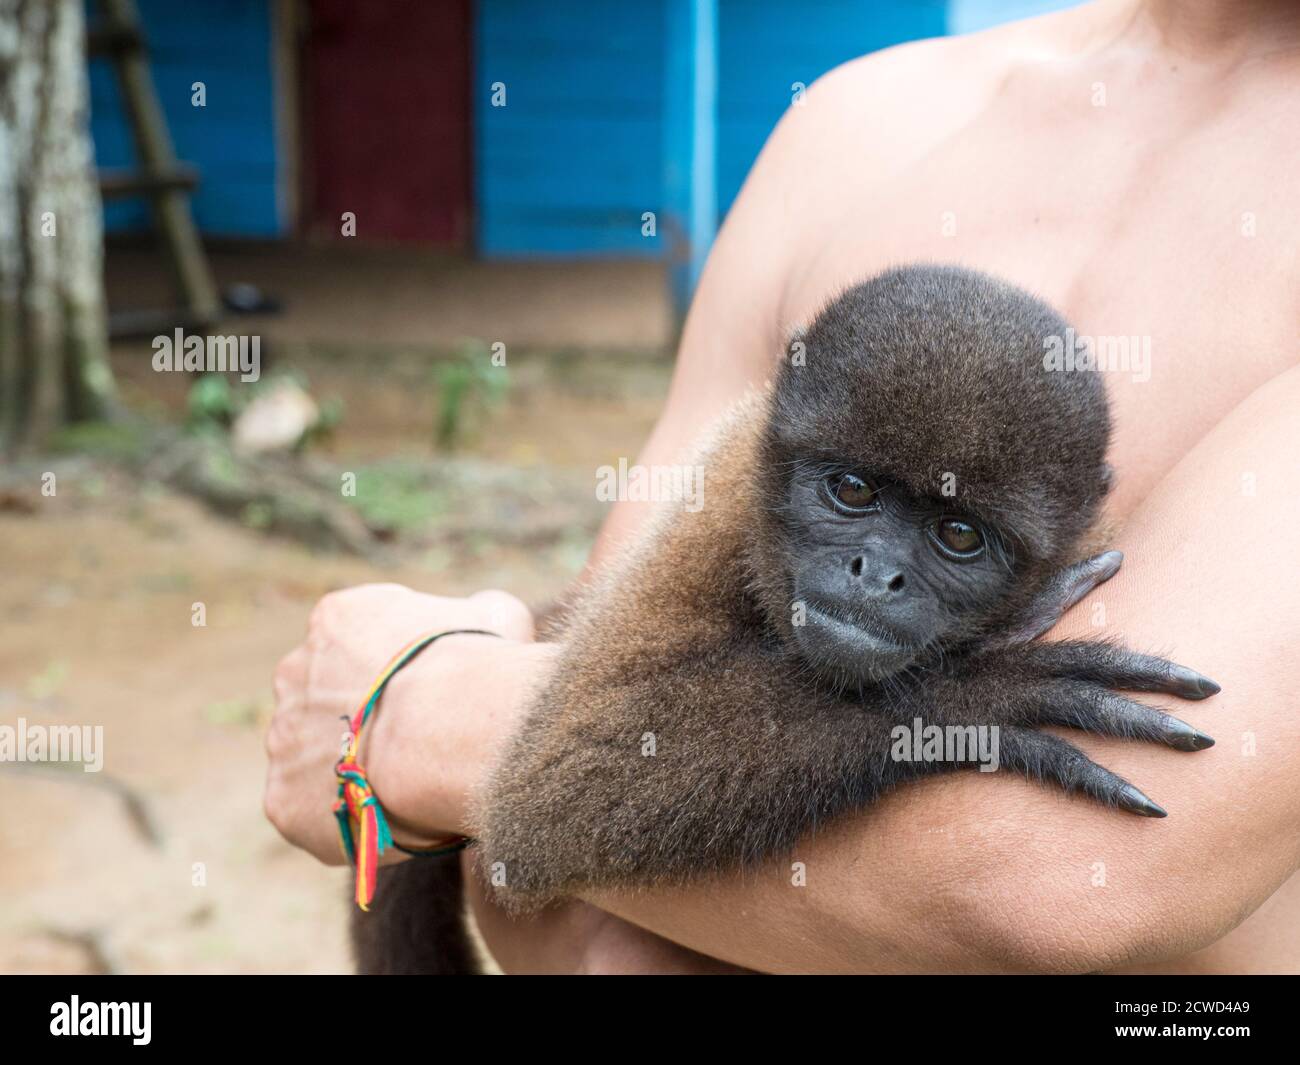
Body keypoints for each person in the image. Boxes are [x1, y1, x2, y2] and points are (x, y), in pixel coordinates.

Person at [264, 0, 1300, 974]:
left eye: (955, 538)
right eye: (850, 495)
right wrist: (952, 713)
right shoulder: (857, 127)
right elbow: (556, 854)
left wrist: (417, 711)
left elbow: (1067, 880)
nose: (874, 573)